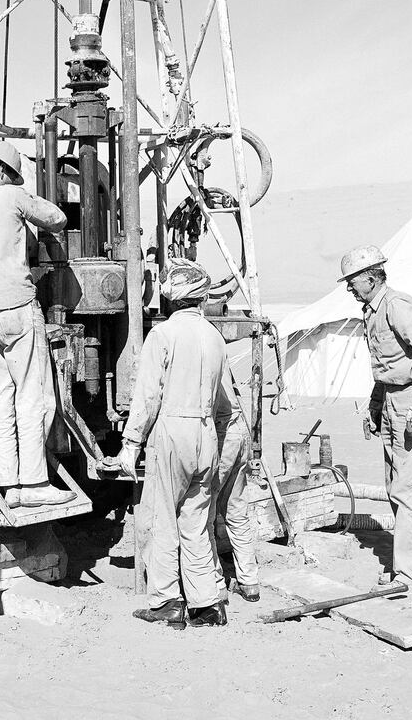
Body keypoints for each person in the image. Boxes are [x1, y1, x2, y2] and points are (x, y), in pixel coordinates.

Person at [0, 139, 75, 509]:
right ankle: (36, 483)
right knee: (32, 395)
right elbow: (58, 218)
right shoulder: (12, 195)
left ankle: (9, 484)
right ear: (4, 171)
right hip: (14, 307)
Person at [117, 258, 228, 629]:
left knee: (161, 518)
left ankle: (166, 601)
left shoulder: (162, 336)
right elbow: (221, 398)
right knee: (196, 521)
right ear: (201, 296)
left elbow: (148, 395)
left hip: (173, 429)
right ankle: (205, 605)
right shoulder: (215, 336)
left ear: (169, 298)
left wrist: (130, 444)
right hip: (206, 432)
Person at [340, 244, 412, 587]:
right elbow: (385, 368)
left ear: (370, 278)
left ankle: (408, 572)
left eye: (352, 281)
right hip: (391, 401)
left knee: (407, 488)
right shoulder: (372, 310)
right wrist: (375, 408)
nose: (349, 288)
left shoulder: (396, 305)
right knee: (395, 486)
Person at [211, 371, 260, 602]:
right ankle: (249, 582)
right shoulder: (219, 353)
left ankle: (215, 584)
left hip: (222, 434)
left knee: (203, 516)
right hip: (240, 431)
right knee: (237, 514)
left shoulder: (197, 352)